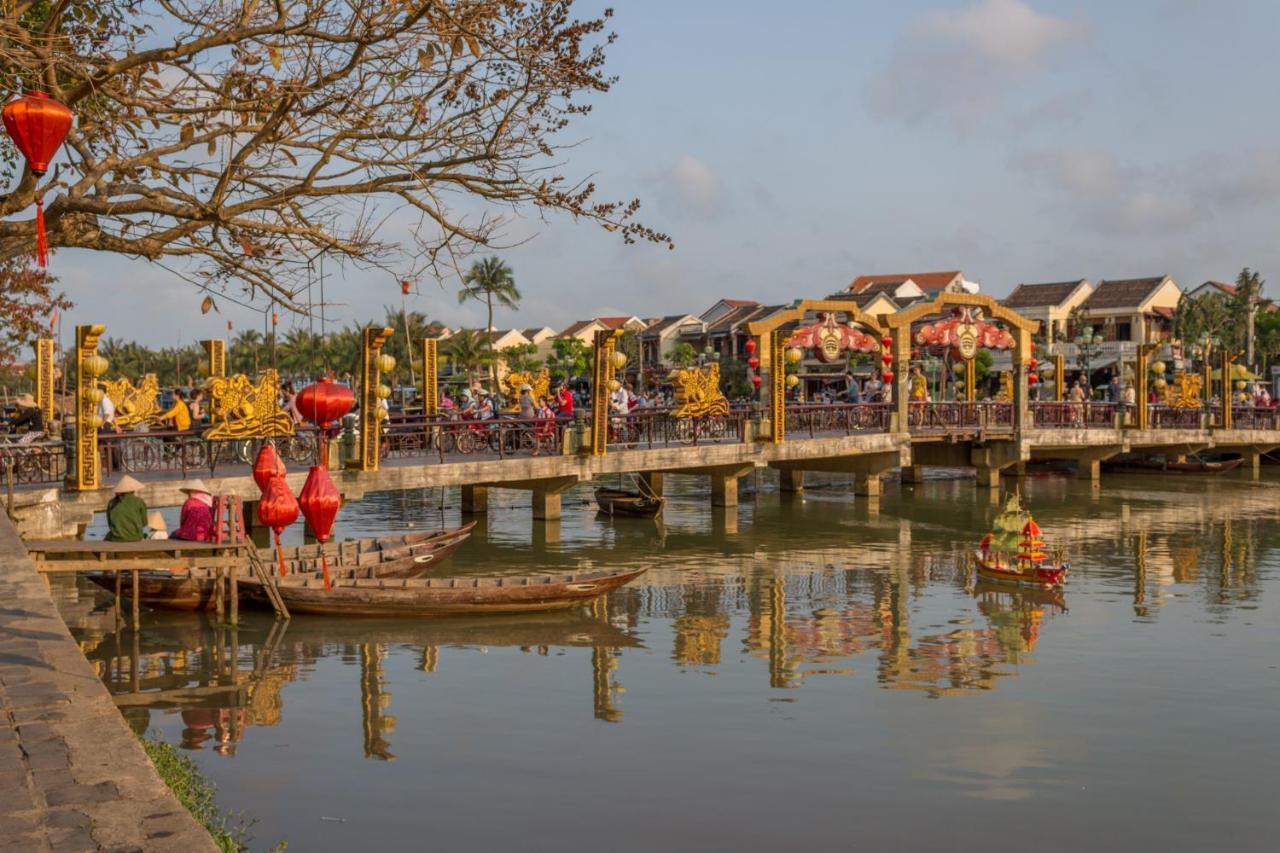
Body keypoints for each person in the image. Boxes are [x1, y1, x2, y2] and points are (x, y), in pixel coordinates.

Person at [105, 476, 148, 542]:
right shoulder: (139, 501)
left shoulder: (111, 502)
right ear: (133, 490)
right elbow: (144, 522)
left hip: (117, 537)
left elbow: (110, 523)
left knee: (107, 537)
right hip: (136, 537)